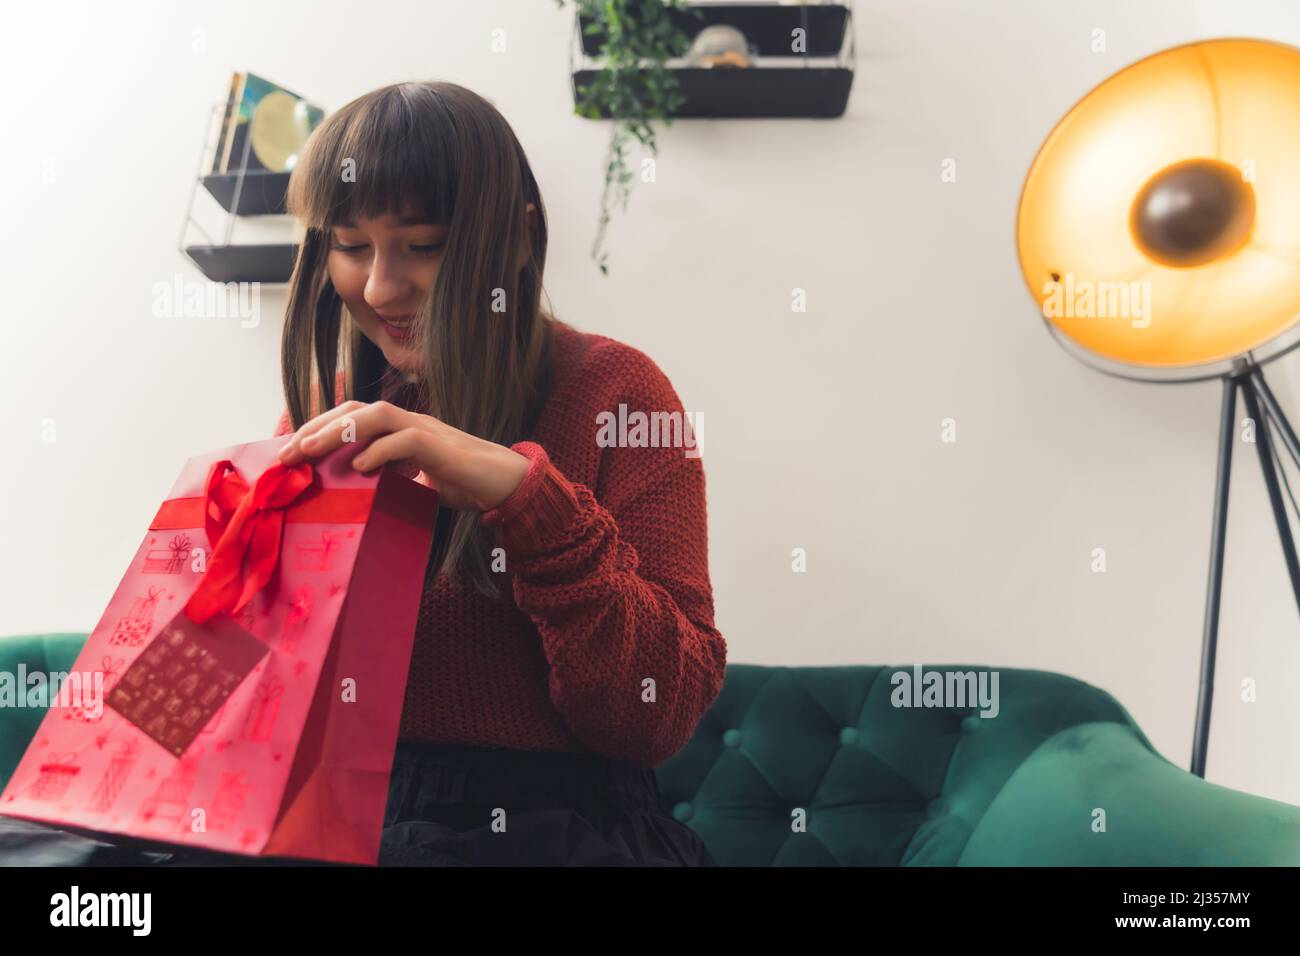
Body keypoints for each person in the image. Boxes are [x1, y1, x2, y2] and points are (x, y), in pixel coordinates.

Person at [268, 79, 725, 866]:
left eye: (424, 244)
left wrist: (529, 503)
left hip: (560, 826)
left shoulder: (619, 394)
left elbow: (658, 716)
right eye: (350, 246)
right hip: (346, 816)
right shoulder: (329, 411)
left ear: (515, 236)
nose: (380, 286)